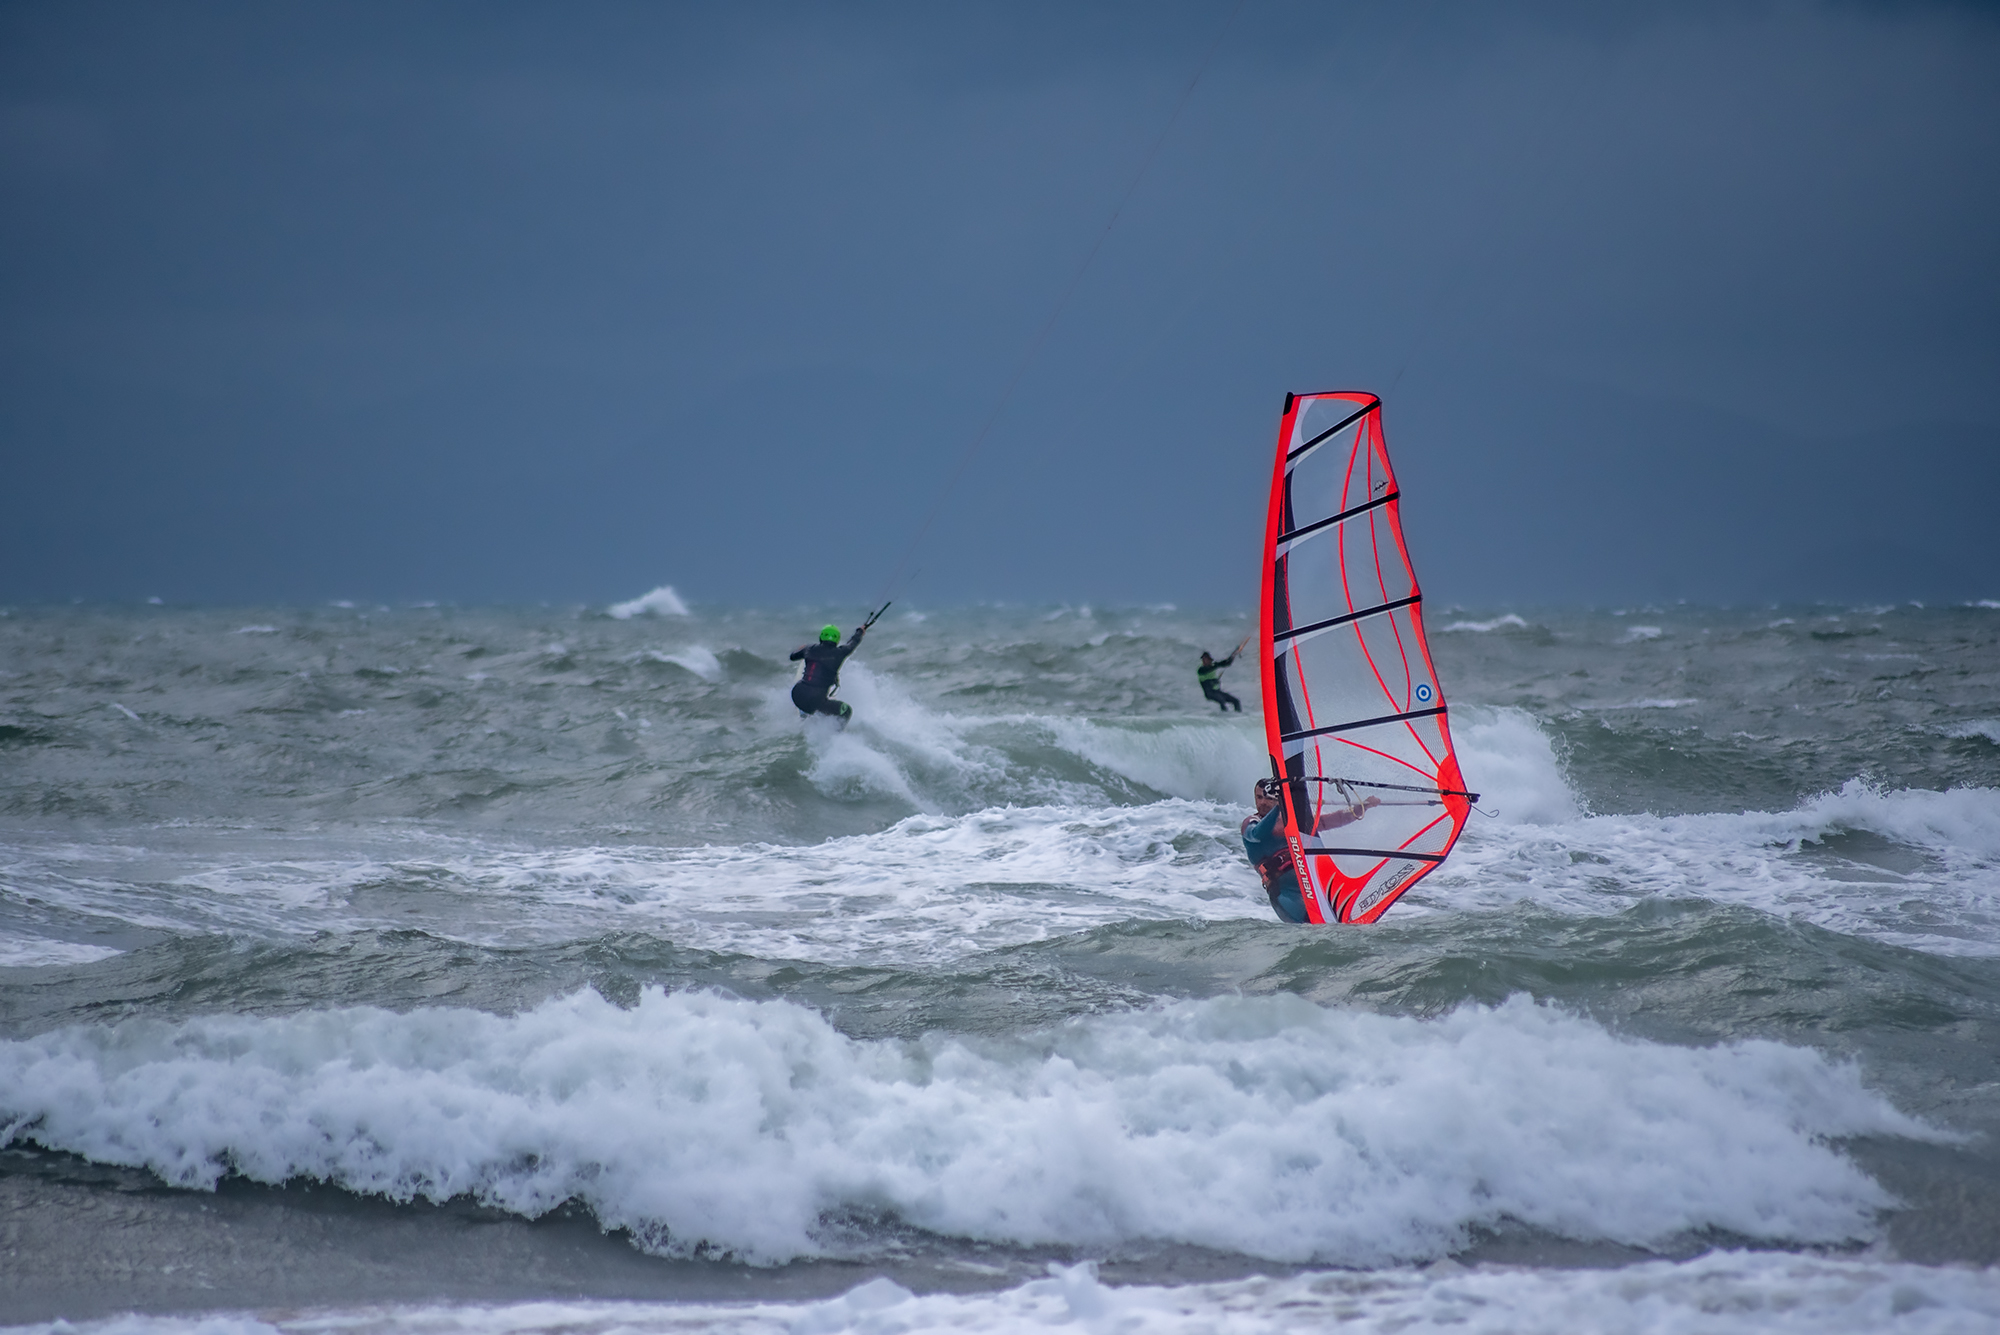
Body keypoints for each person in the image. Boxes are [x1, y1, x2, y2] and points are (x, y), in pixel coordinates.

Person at [1240, 778, 1380, 923]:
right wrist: (1281, 806)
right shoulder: (1250, 822)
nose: (1262, 802)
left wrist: (1363, 806)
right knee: (1309, 928)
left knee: (1344, 925)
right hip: (1286, 892)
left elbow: (1332, 820)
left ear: (1276, 799)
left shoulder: (1291, 822)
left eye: (1268, 798)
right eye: (1258, 797)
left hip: (1315, 885)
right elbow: (1257, 834)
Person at [790, 622, 867, 724]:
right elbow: (852, 642)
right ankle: (836, 736)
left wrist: (801, 649)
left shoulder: (809, 648)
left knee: (811, 699)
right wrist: (860, 631)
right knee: (846, 710)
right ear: (837, 640)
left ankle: (805, 716)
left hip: (797, 694)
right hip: (816, 700)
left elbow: (792, 656)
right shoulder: (840, 653)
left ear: (821, 637)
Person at [1198, 638, 1248, 712]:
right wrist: (1215, 677)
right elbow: (1209, 670)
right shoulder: (1201, 670)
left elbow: (1227, 663)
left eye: (1206, 659)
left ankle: (1239, 718)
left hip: (1217, 692)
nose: (1204, 661)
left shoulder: (1213, 666)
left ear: (1210, 659)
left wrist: (1235, 653)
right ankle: (1223, 719)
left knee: (1236, 701)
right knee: (1222, 701)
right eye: (1203, 659)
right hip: (1210, 693)